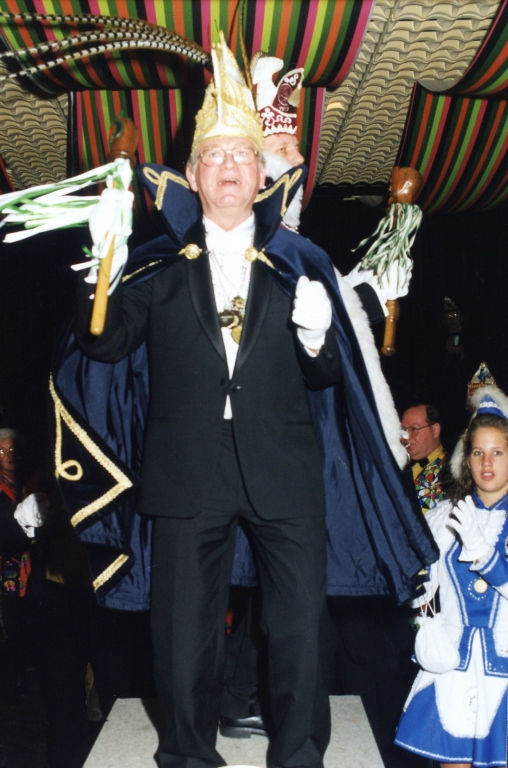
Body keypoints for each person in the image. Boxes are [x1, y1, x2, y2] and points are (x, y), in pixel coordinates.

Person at [69, 32, 436, 768]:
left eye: (242, 152)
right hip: (187, 472)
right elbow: (105, 345)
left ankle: (298, 757)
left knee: (300, 629)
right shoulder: (156, 266)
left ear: (258, 171)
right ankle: (186, 756)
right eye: (215, 156)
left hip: (283, 469)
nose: (230, 165)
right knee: (183, 633)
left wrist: (316, 339)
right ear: (193, 174)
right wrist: (101, 264)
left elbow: (328, 379)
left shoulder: (299, 259)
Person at [395, 385, 508, 767]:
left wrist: (487, 558)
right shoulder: (443, 517)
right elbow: (416, 586)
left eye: (497, 452)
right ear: (466, 459)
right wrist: (422, 620)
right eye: (478, 452)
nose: (486, 463)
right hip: (453, 671)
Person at [401, 404, 450, 512]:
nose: (405, 437)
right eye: (403, 430)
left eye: (414, 429)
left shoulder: (448, 473)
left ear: (435, 430)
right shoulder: (404, 465)